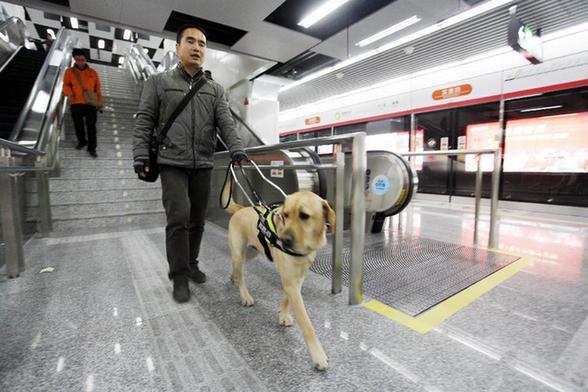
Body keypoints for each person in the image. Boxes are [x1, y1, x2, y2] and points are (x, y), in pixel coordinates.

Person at [132, 25, 247, 303]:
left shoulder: (214, 90)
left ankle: (192, 263)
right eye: (191, 42)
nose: (197, 48)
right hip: (171, 160)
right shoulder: (158, 83)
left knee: (197, 220)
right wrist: (140, 155)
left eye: (202, 44)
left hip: (203, 163)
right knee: (178, 217)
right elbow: (145, 119)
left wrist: (237, 149)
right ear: (177, 47)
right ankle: (179, 276)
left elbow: (226, 123)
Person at [62, 49, 104, 158]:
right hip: (75, 102)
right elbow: (66, 85)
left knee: (91, 126)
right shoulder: (69, 72)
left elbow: (98, 89)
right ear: (74, 59)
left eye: (83, 60)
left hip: (90, 103)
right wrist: (69, 93)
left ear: (86, 60)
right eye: (78, 59)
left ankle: (92, 148)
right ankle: (82, 141)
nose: (80, 62)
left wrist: (100, 102)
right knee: (78, 124)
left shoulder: (93, 73)